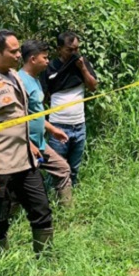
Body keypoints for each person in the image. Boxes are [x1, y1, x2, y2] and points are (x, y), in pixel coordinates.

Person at [0, 29, 53, 252]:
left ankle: (46, 260)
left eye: (18, 50)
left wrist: (30, 144)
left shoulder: (14, 75)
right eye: (13, 51)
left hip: (25, 160)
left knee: (41, 210)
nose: (18, 55)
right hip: (0, 166)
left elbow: (19, 118)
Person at [18, 40, 74, 206]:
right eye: (45, 58)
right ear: (33, 59)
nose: (48, 61)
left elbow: (36, 113)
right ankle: (6, 221)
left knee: (63, 169)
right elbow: (14, 120)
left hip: (40, 143)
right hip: (24, 145)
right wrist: (28, 144)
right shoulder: (19, 82)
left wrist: (52, 129)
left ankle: (69, 212)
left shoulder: (35, 79)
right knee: (19, 185)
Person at [41, 31, 98, 187]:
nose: (74, 53)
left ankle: (70, 198)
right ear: (59, 49)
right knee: (55, 168)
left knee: (74, 167)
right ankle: (51, 196)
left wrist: (82, 68)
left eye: (76, 49)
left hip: (79, 125)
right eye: (70, 49)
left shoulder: (81, 62)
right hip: (58, 126)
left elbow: (93, 87)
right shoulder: (50, 66)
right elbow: (43, 96)